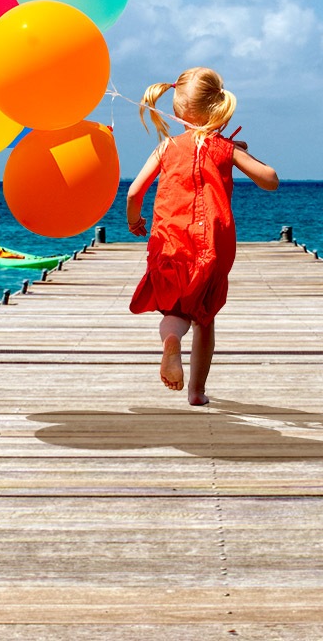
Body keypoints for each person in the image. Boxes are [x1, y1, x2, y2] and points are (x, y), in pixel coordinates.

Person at [126, 67, 279, 406]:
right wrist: (240, 153)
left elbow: (134, 193)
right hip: (212, 244)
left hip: (168, 241)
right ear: (218, 108)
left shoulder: (166, 148)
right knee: (204, 317)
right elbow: (270, 179)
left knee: (175, 309)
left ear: (178, 110)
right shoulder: (225, 148)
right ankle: (196, 392)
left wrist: (134, 221)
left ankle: (171, 344)